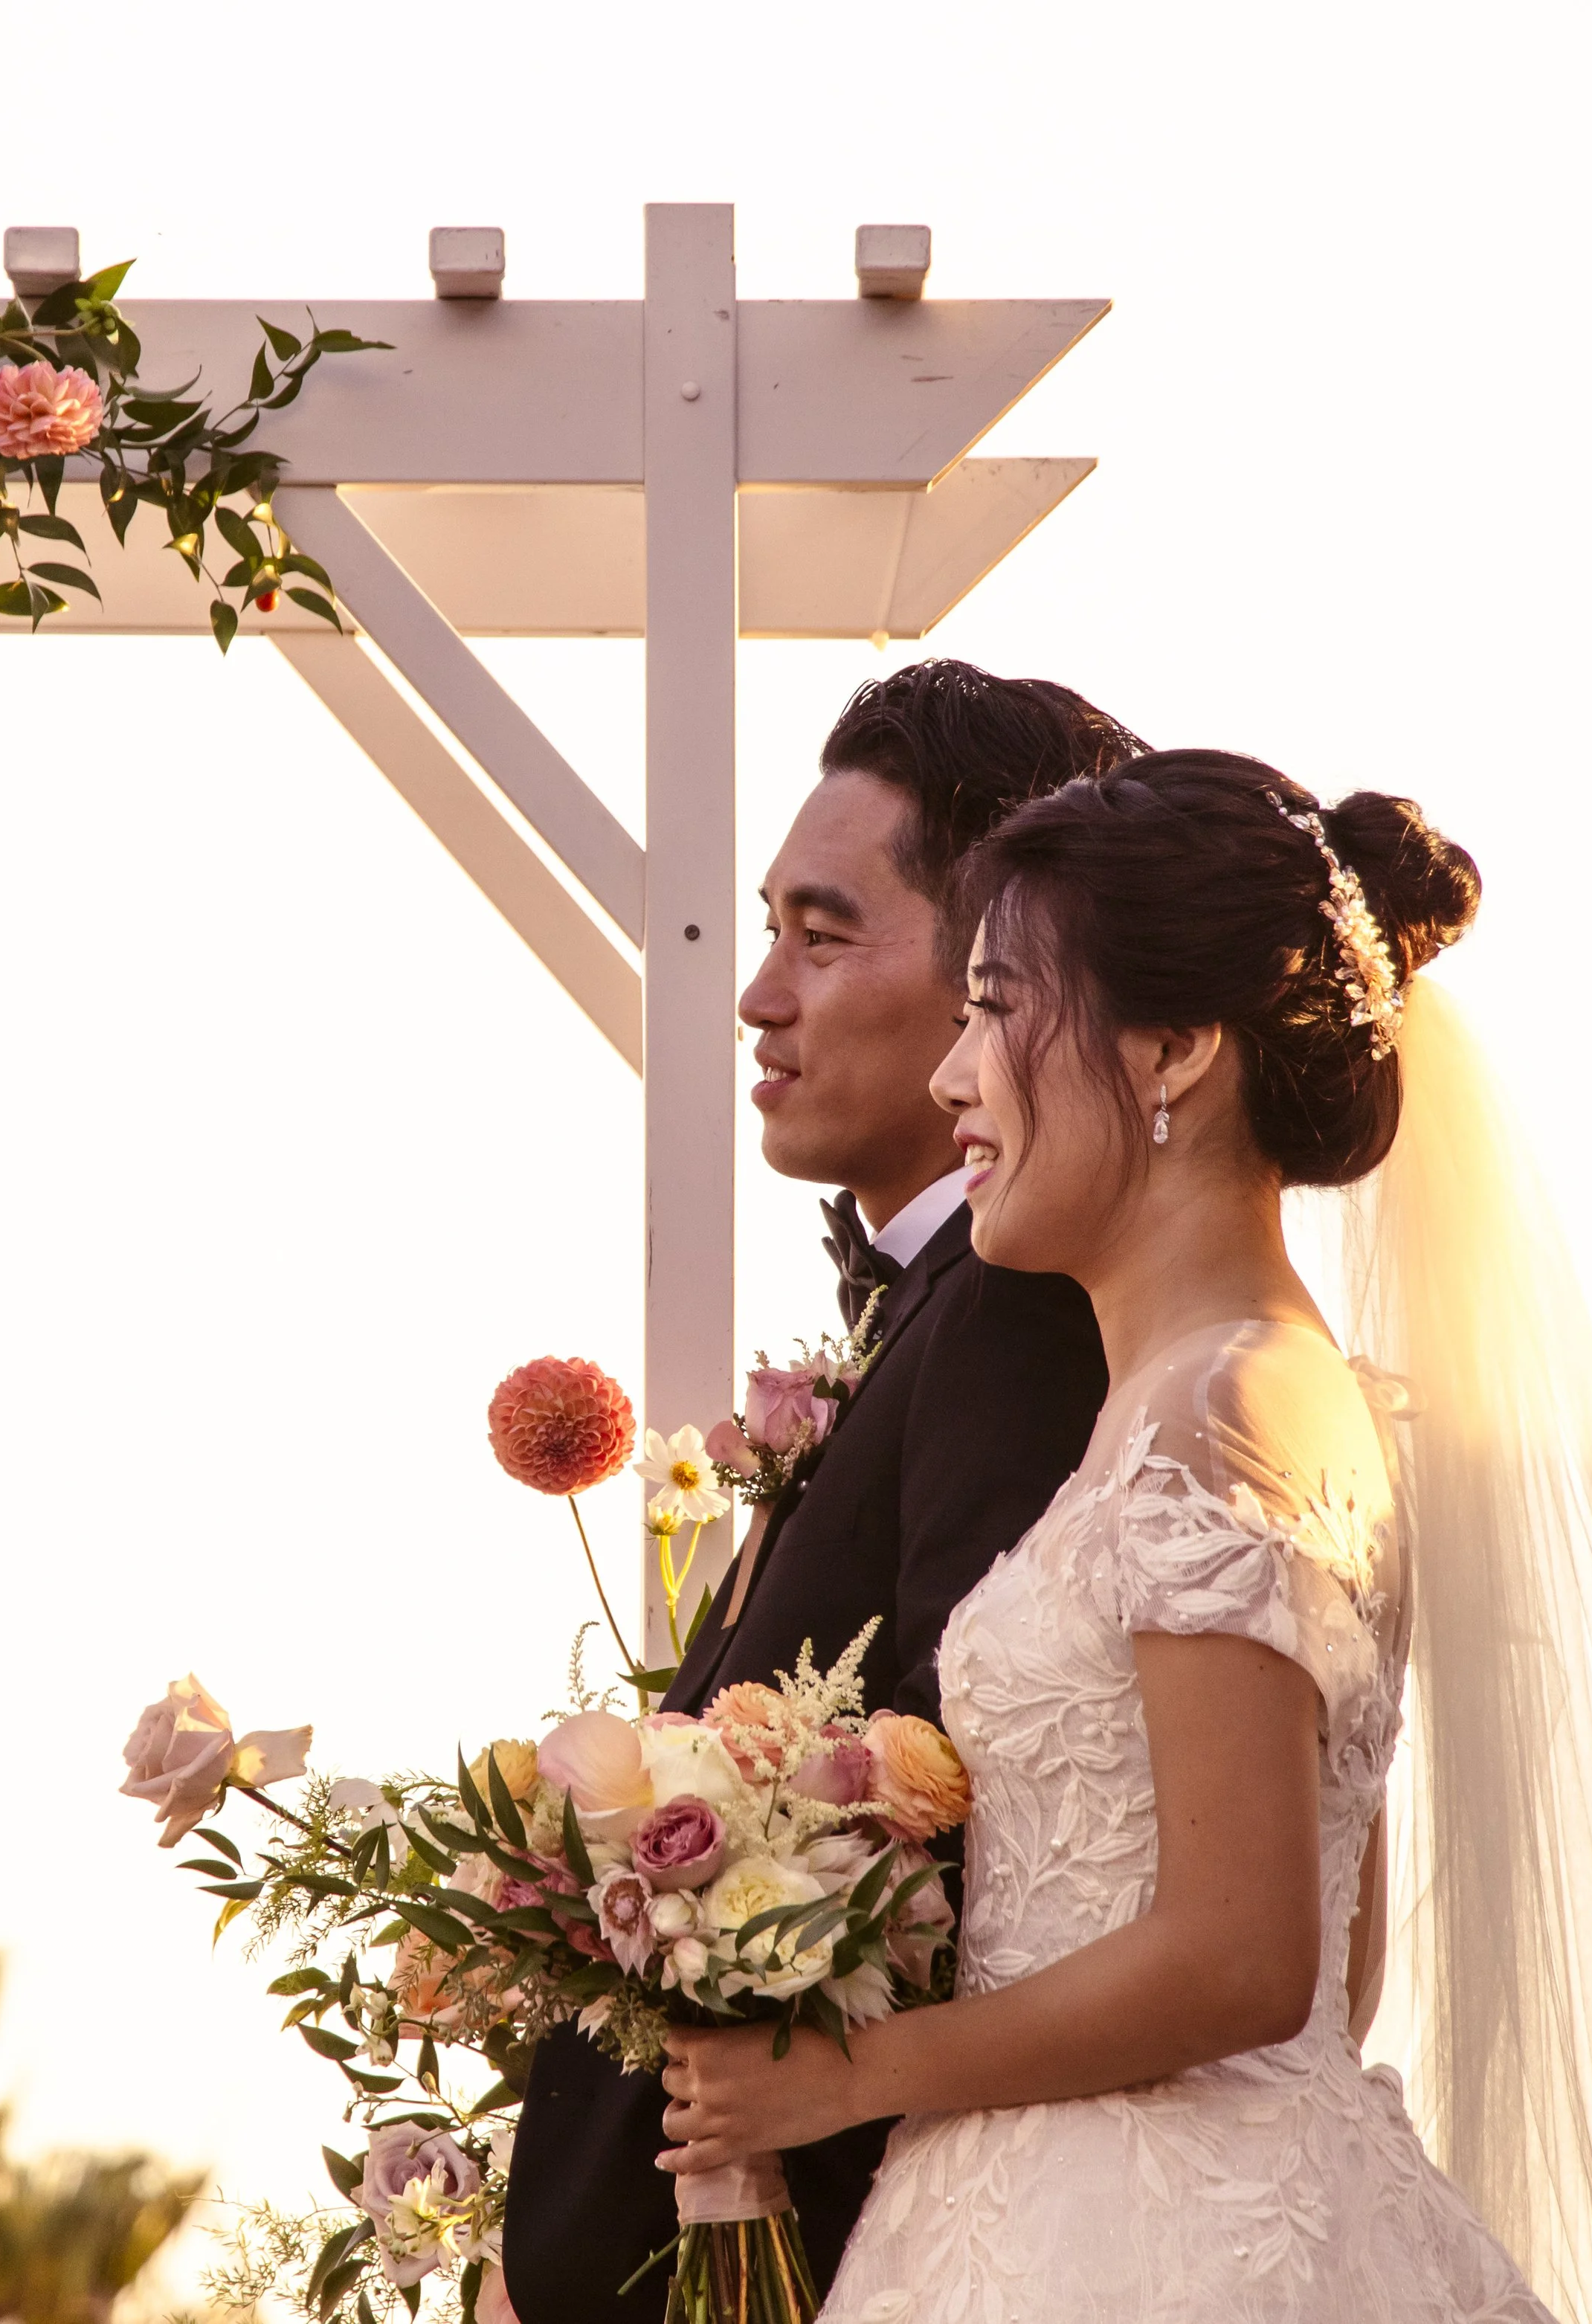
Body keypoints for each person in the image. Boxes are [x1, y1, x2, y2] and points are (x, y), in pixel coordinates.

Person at [656, 751, 1592, 2320]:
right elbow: (1331, 1960)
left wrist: (838, 2073)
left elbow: (1243, 1958)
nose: (956, 1078)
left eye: (996, 1009)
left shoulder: (1209, 1416)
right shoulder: (1246, 1391)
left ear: (1170, 1048)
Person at [500, 662, 1143, 2321]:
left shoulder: (1018, 1326)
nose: (757, 993)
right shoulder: (920, 1318)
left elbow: (958, 1849)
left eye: (822, 929)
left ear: (1015, 970)